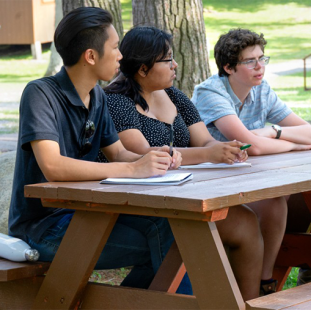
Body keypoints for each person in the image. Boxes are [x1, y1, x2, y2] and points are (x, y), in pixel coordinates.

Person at [8, 7, 188, 293]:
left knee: (169, 229)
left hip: (88, 213)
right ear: (90, 56)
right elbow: (53, 166)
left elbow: (118, 153)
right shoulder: (40, 94)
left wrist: (154, 158)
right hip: (44, 228)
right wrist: (133, 169)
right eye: (115, 48)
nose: (121, 55)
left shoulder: (97, 97)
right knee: (174, 246)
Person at [100, 26, 265, 300]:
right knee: (188, 238)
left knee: (245, 222)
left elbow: (204, 142)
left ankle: (248, 304)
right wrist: (208, 154)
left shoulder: (175, 96)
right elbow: (143, 153)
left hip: (183, 195)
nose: (175, 64)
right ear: (143, 68)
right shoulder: (116, 102)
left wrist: (223, 149)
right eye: (167, 59)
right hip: (139, 207)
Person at [192, 28, 311, 290]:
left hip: (252, 177)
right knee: (277, 202)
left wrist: (274, 131)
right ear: (229, 67)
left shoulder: (261, 90)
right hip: (213, 183)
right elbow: (252, 147)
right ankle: (265, 283)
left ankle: (296, 272)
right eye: (250, 61)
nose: (259, 66)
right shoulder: (211, 93)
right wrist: (291, 146)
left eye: (262, 58)